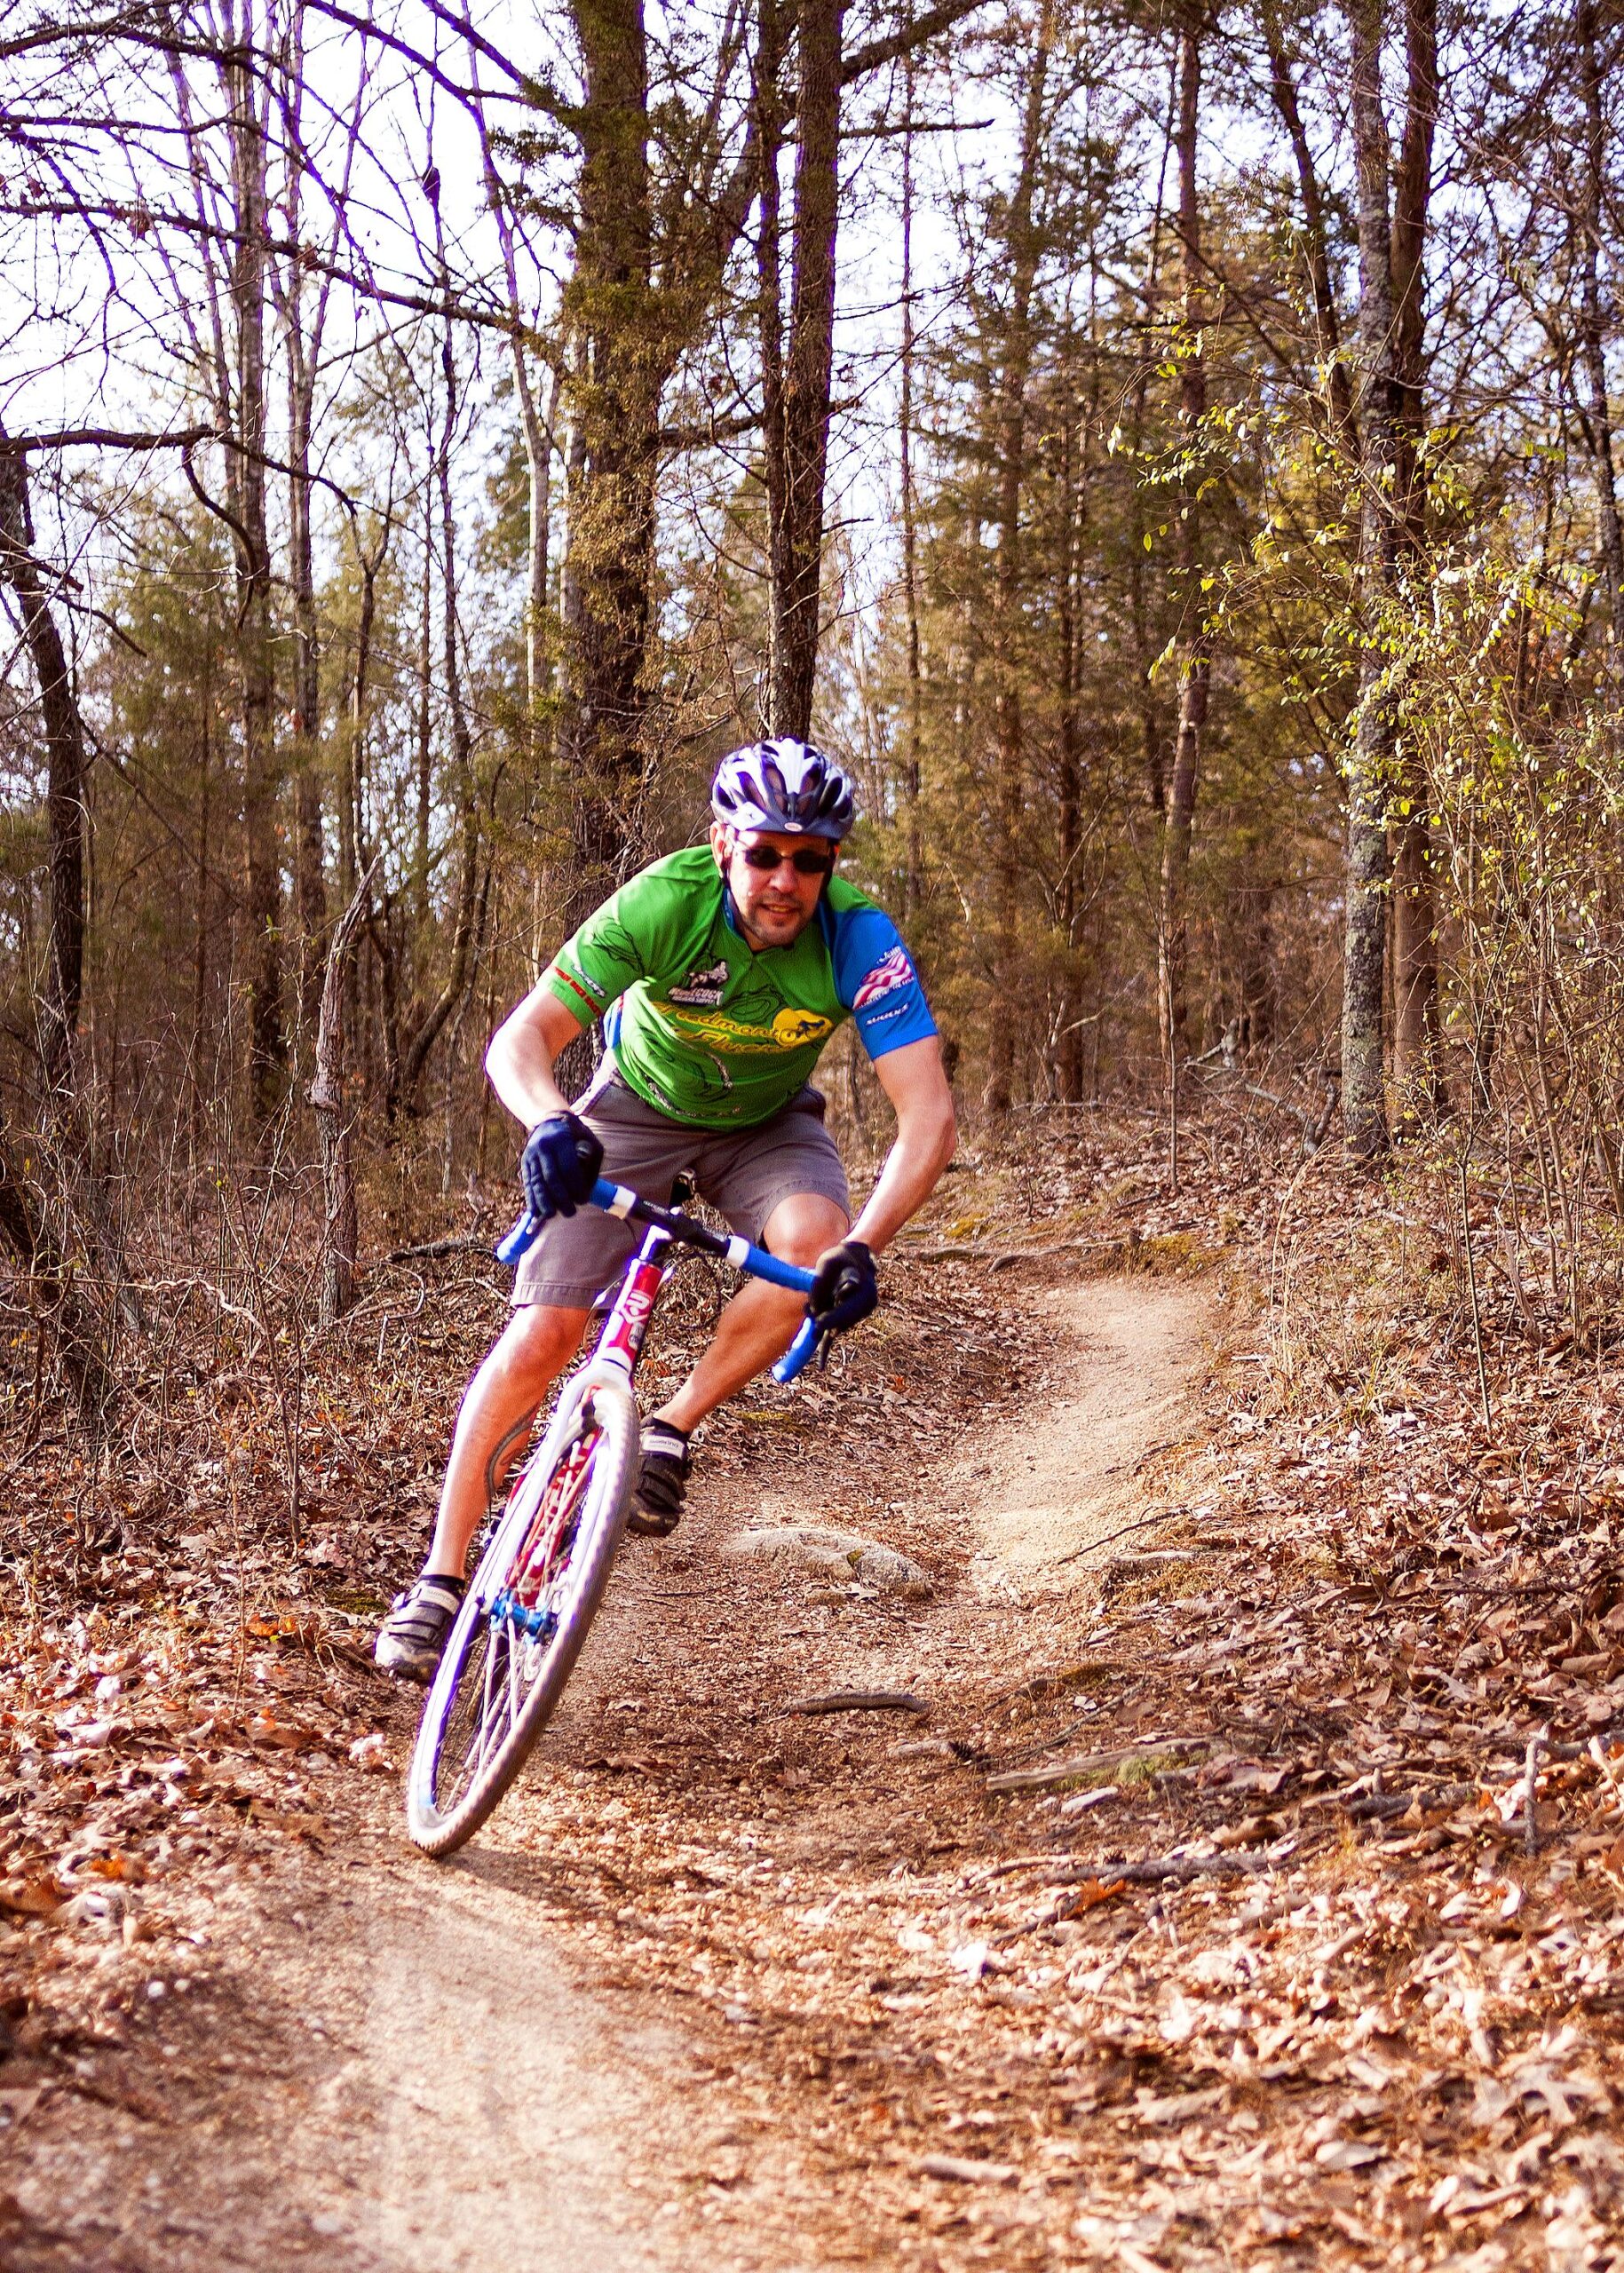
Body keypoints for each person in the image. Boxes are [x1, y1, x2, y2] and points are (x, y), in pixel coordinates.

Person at [375, 738, 955, 1682]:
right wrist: (549, 1122)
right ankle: (440, 1579)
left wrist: (860, 1246)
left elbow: (927, 1116)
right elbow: (520, 1039)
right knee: (543, 1335)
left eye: (810, 860)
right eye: (765, 853)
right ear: (724, 842)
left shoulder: (859, 940)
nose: (784, 880)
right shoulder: (665, 899)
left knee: (808, 1249)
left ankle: (670, 1426)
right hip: (634, 1107)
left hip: (765, 1124)